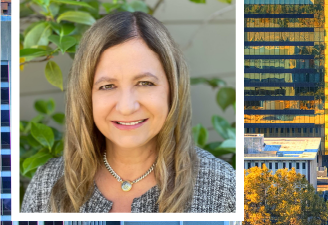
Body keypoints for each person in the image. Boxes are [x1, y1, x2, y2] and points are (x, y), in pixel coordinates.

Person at [21, 11, 235, 213]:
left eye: (145, 83)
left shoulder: (223, 186)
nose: (126, 107)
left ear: (172, 89)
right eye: (107, 86)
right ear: (86, 96)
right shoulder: (46, 184)